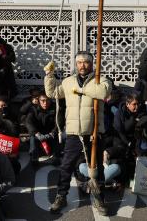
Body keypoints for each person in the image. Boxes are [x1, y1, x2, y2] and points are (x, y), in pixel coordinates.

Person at [44, 51, 112, 215]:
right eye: (80, 62)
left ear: (92, 64)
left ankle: (98, 197)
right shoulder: (68, 82)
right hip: (74, 132)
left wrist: (82, 91)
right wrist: (49, 75)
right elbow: (52, 93)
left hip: (94, 132)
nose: (83, 65)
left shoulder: (100, 80)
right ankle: (61, 195)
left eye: (86, 62)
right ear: (76, 64)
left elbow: (103, 93)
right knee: (66, 165)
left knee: (96, 167)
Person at [26, 92, 58, 164]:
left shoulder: (55, 108)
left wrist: (53, 132)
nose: (45, 103)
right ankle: (34, 158)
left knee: (55, 137)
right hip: (37, 133)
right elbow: (28, 122)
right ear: (39, 101)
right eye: (42, 100)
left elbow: (58, 123)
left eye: (47, 100)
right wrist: (36, 133)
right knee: (33, 138)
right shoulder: (33, 109)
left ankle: (55, 156)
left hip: (50, 132)